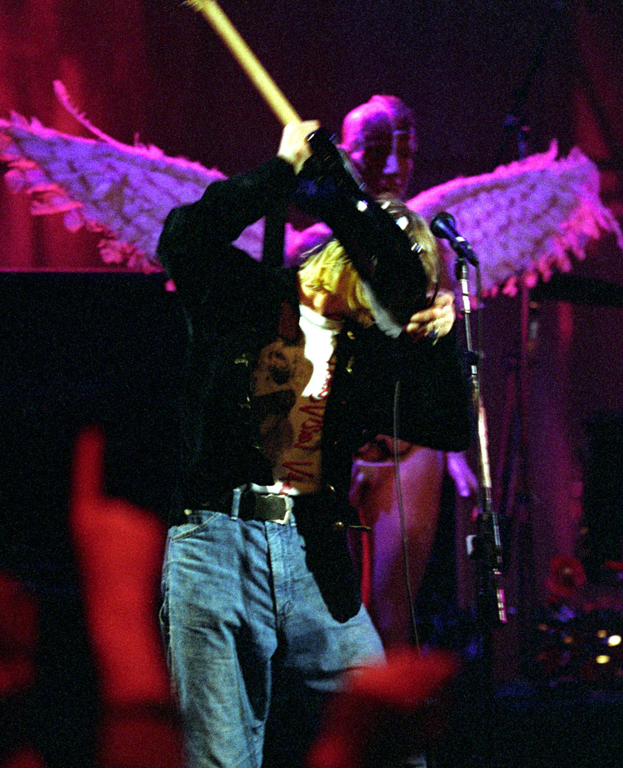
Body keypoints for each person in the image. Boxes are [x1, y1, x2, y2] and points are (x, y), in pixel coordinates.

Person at [154, 119, 473, 768]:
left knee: (393, 751)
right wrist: (280, 173)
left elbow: (447, 426)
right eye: (376, 263)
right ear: (336, 253)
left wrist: (436, 340)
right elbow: (182, 239)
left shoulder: (367, 351)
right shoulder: (247, 295)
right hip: (217, 542)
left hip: (311, 550)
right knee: (220, 760)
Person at [291, 95, 478, 649]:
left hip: (406, 450)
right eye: (377, 152)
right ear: (349, 155)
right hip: (332, 445)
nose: (394, 168)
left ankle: (394, 735)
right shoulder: (311, 245)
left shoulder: (428, 244)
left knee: (394, 620)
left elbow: (443, 354)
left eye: (406, 152)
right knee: (329, 622)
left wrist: (461, 440)